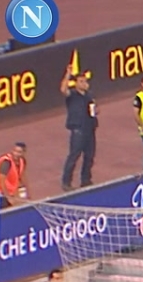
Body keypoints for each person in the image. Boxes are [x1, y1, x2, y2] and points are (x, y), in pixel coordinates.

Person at [59, 64, 97, 192]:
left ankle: (85, 180)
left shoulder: (89, 95)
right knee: (74, 155)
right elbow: (63, 89)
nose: (84, 83)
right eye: (81, 81)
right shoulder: (73, 95)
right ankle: (66, 182)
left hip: (90, 129)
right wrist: (68, 74)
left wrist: (95, 111)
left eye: (85, 81)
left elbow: (93, 108)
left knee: (89, 156)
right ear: (75, 83)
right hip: (78, 130)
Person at [0, 142, 29, 207]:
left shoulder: (22, 161)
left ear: (23, 153)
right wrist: (8, 197)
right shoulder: (6, 163)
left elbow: (22, 175)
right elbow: (2, 182)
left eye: (19, 152)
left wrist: (27, 191)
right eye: (14, 151)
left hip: (10, 190)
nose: (16, 154)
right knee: (0, 210)